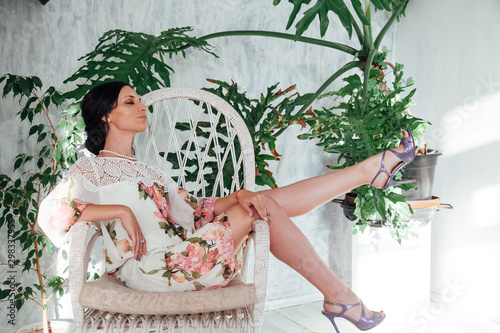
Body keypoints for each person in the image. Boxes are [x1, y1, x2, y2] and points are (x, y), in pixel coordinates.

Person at [39, 81, 416, 332]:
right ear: (106, 115)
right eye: (130, 101)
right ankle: (341, 290)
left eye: (139, 100)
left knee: (257, 201)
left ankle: (366, 175)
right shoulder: (91, 169)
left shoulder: (150, 172)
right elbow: (50, 214)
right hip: (151, 270)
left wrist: (239, 195)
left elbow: (195, 212)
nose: (142, 107)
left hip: (184, 254)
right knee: (258, 206)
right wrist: (118, 213)